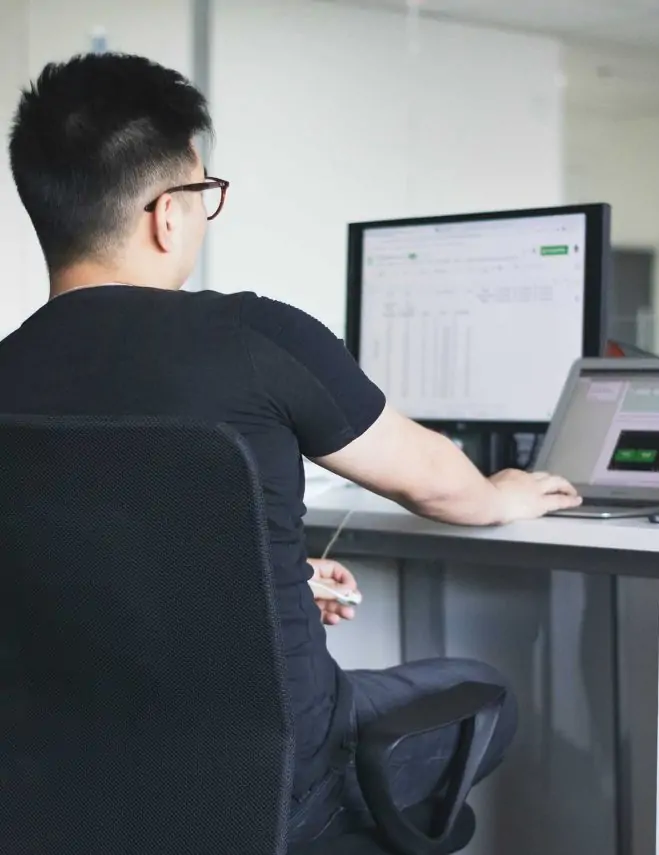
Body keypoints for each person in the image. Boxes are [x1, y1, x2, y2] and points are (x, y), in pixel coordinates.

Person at [2, 53, 582, 843]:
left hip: (69, 787)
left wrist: (257, 576)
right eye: (204, 194)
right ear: (167, 213)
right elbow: (439, 486)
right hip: (291, 782)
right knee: (484, 689)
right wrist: (503, 491)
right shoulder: (255, 337)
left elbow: (69, 558)